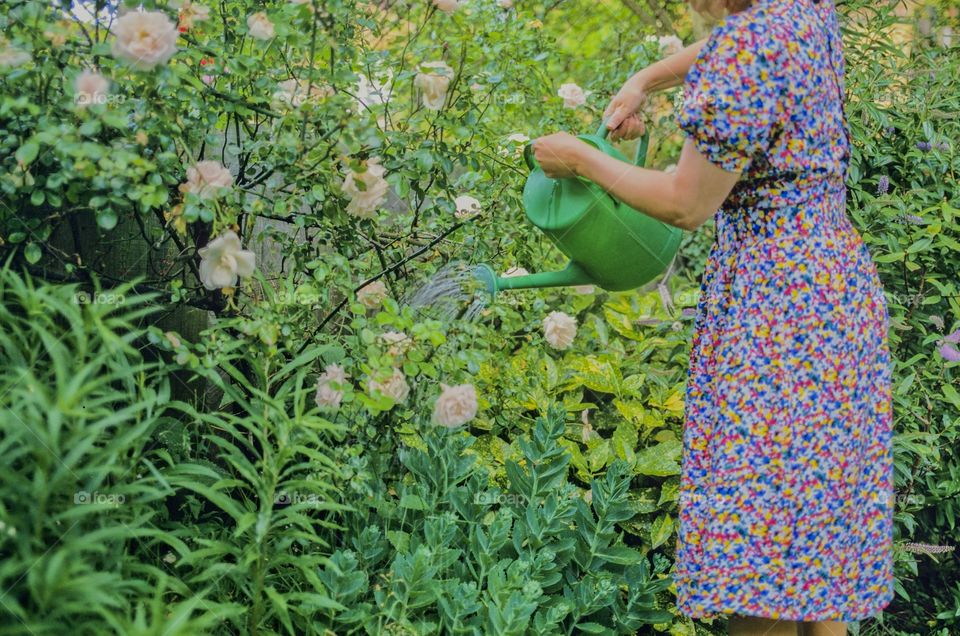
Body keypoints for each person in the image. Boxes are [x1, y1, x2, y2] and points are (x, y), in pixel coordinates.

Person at [530, 1, 895, 635]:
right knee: (809, 549)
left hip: (778, 316)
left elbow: (684, 203)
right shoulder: (799, 13)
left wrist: (581, 160)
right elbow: (737, 50)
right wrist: (646, 78)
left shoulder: (753, 43)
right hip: (832, 295)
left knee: (760, 563)